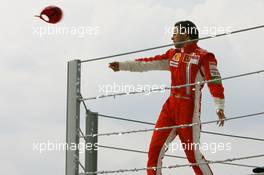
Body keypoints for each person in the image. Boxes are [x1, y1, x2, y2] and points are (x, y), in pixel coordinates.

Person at [109, 20, 225, 175]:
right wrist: (123, 65)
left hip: (189, 111)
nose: (172, 37)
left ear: (186, 34)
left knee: (193, 155)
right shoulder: (173, 54)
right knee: (154, 152)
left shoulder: (204, 56)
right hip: (170, 107)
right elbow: (149, 63)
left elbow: (215, 81)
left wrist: (219, 106)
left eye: (175, 33)